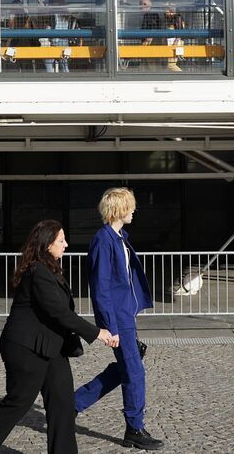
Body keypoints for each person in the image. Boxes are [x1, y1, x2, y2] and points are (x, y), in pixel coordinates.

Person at [0, 220, 118, 454]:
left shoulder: (50, 268)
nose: (66, 244)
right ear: (47, 245)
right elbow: (59, 312)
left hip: (51, 347)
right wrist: (98, 333)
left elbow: (59, 313)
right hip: (25, 348)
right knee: (19, 402)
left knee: (62, 402)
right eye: (61, 240)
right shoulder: (38, 272)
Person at [73, 188, 164, 450]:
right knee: (135, 373)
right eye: (131, 207)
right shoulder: (103, 240)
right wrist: (108, 326)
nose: (135, 211)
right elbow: (100, 286)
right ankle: (134, 429)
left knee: (127, 368)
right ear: (120, 209)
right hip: (118, 319)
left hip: (126, 315)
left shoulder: (119, 237)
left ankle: (73, 404)